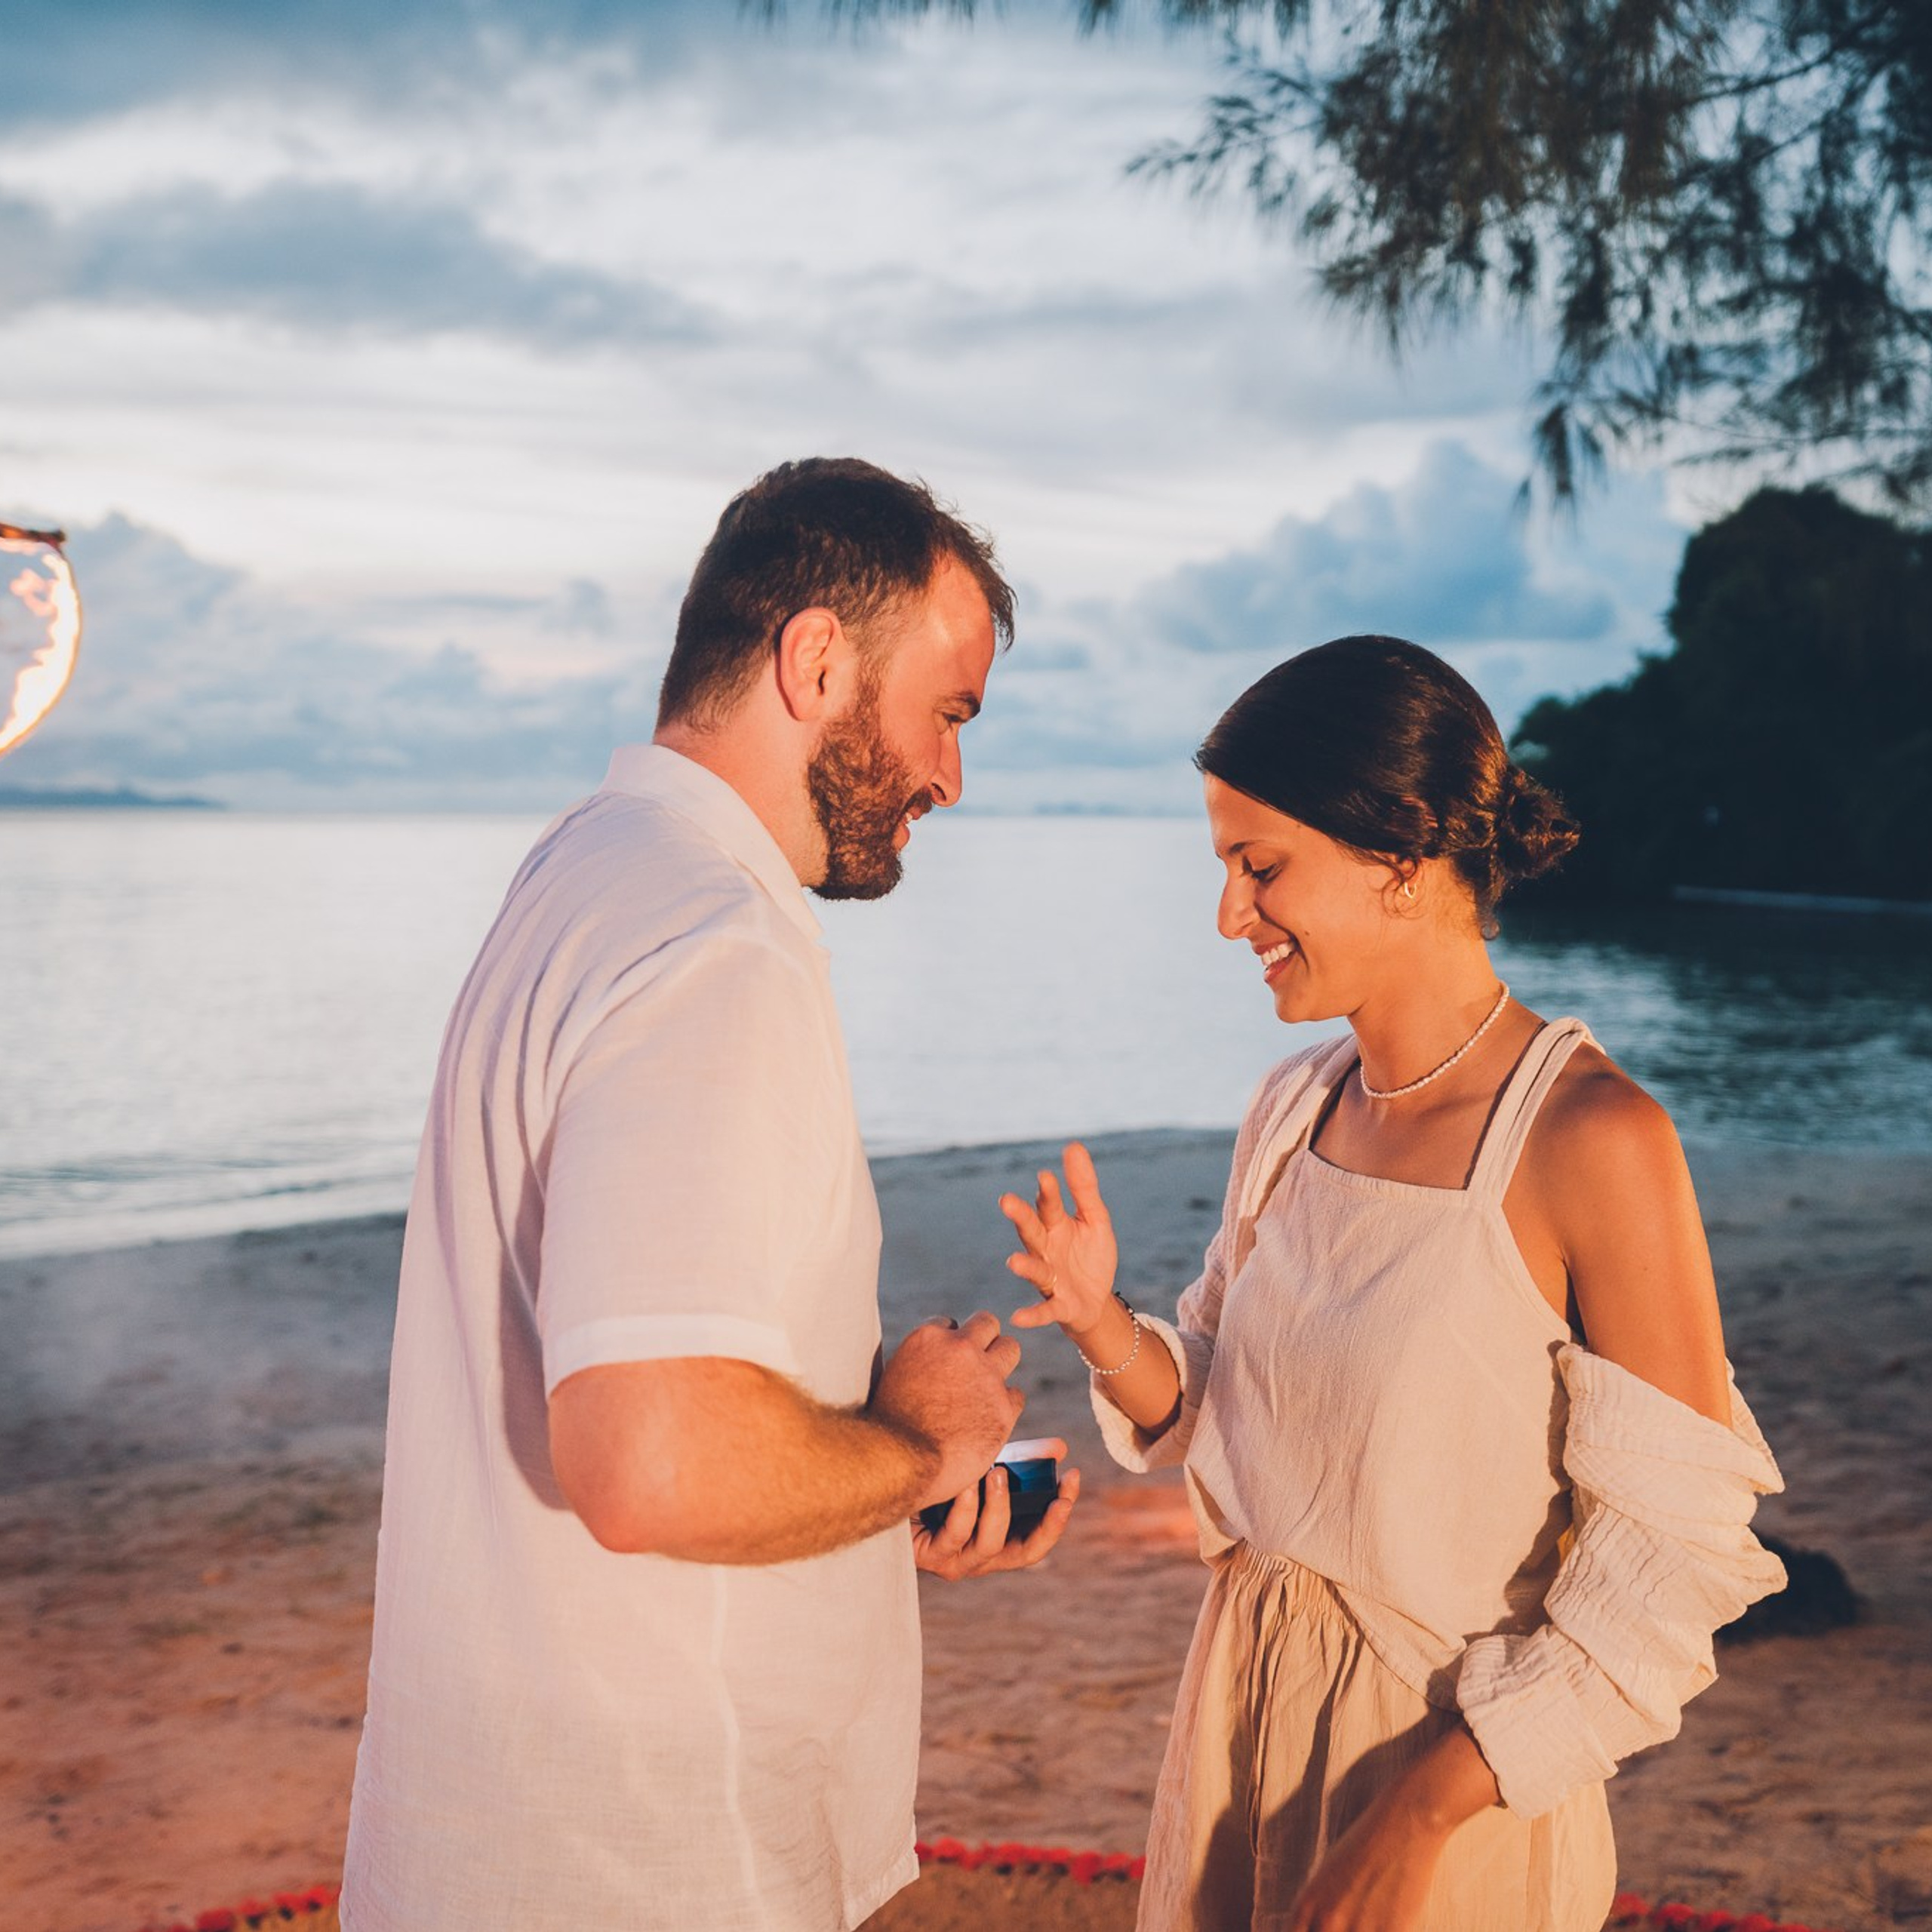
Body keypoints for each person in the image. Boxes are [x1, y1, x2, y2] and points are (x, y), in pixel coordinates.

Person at [340, 457, 1079, 1932]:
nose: (950, 776)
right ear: (816, 660)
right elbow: (653, 1460)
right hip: (650, 1864)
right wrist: (918, 1438)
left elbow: (626, 1366)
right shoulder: (710, 942)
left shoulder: (586, 873)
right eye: (947, 712)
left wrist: (846, 1448)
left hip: (507, 1836)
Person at [1001, 635, 1786, 1932]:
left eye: (1262, 869)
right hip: (1233, 1737)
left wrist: (1418, 1814)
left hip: (1440, 1790)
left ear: (1404, 849)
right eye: (1225, 871)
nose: (1229, 917)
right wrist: (1098, 1321)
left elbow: (1674, 1563)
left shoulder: (1594, 1141)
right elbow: (1216, 1412)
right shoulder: (1292, 1110)